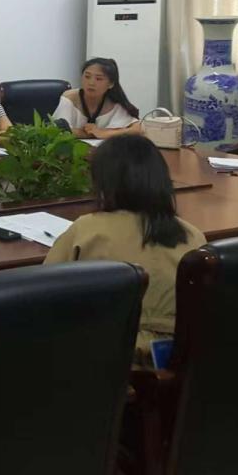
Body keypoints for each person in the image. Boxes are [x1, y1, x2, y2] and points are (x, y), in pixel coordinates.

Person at [43, 134, 205, 364]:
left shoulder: (87, 230)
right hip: (177, 362)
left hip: (106, 360)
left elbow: (43, 294)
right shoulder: (192, 235)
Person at [52, 58, 141, 139]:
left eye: (98, 79)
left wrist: (104, 133)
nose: (91, 83)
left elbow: (138, 129)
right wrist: (91, 134)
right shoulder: (70, 98)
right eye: (87, 77)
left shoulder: (114, 103)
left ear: (111, 84)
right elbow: (57, 130)